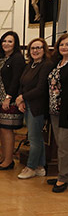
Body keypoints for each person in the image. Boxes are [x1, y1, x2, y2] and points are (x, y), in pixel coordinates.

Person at [15, 37, 53, 179]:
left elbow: (41, 88)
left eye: (39, 48)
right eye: (33, 48)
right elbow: (22, 84)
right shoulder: (29, 65)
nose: (35, 51)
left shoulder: (46, 65)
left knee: (34, 138)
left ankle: (30, 167)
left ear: (44, 50)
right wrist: (21, 99)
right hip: (27, 104)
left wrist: (23, 97)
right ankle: (40, 167)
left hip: (37, 106)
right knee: (36, 137)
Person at [0, 31, 25, 170]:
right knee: (1, 129)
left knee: (7, 130)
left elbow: (17, 79)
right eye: (4, 41)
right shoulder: (2, 58)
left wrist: (8, 97)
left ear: (15, 43)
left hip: (8, 99)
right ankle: (4, 156)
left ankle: (9, 160)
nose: (6, 44)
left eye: (10, 41)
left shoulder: (17, 58)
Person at [48, 32, 68, 193]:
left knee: (63, 146)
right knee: (60, 144)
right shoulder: (57, 62)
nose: (64, 47)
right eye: (62, 44)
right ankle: (63, 173)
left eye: (67, 44)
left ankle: (63, 177)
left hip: (65, 111)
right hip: (54, 110)